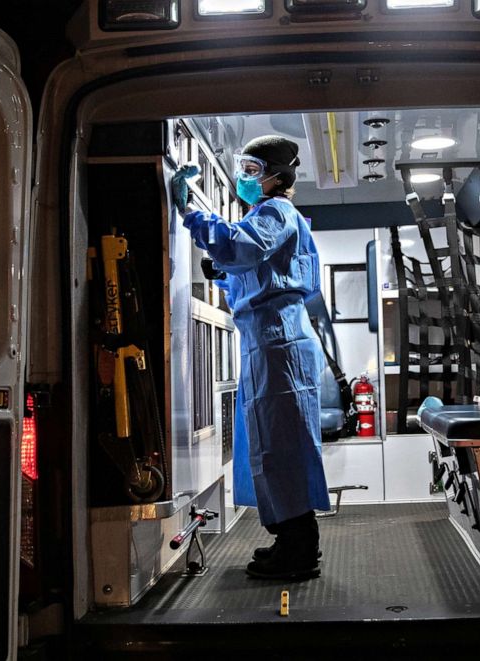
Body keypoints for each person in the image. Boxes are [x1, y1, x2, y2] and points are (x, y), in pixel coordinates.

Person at [183, 135, 330, 580]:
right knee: (272, 442)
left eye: (252, 169)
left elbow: (243, 248)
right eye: (242, 168)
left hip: (277, 342)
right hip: (269, 339)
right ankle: (289, 538)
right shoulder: (269, 216)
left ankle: (300, 551)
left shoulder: (275, 212)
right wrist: (222, 269)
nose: (244, 178)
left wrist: (192, 213)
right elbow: (251, 273)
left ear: (276, 177)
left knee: (283, 445)